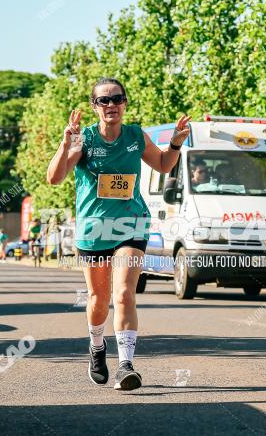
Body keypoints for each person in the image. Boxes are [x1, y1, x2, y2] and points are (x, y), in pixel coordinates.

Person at [46, 77, 188, 391]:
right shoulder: (84, 138)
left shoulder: (137, 135)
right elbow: (54, 178)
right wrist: (65, 143)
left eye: (117, 99)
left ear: (125, 103)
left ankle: (126, 365)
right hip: (94, 228)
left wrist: (176, 142)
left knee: (124, 294)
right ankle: (97, 346)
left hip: (131, 224)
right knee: (99, 299)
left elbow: (164, 164)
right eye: (103, 100)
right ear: (94, 106)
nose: (111, 105)